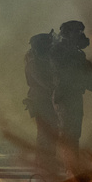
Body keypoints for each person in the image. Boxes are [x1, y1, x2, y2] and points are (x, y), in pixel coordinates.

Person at [50, 20, 92, 172]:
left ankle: (72, 166)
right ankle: (69, 167)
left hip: (74, 96)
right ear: (68, 33)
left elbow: (88, 73)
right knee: (68, 133)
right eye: (77, 32)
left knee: (74, 133)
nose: (80, 35)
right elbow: (74, 74)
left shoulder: (76, 52)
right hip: (65, 96)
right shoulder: (59, 51)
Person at [24, 31, 58, 161]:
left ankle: (48, 159)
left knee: (50, 131)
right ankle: (43, 161)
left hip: (45, 99)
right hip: (41, 100)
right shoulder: (34, 63)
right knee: (45, 132)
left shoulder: (41, 61)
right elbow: (43, 82)